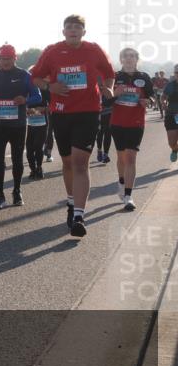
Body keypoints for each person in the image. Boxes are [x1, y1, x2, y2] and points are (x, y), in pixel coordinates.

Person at [30, 14, 115, 237]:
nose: (73, 30)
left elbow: (109, 74)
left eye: (78, 27)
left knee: (80, 162)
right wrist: (51, 87)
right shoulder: (52, 51)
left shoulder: (94, 50)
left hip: (88, 112)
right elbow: (35, 78)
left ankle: (79, 215)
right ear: (64, 31)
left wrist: (109, 88)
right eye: (69, 27)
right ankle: (71, 202)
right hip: (61, 113)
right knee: (67, 162)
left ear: (84, 32)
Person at [0, 45, 41, 208]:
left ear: (15, 58)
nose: (5, 62)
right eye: (2, 59)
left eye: (8, 59)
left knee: (17, 159)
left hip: (18, 125)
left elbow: (37, 96)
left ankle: (17, 191)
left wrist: (25, 100)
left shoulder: (24, 75)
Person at [109, 48, 155, 211]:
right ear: (121, 59)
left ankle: (128, 196)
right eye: (126, 56)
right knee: (121, 157)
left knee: (131, 158)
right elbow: (106, 101)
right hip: (118, 122)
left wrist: (147, 102)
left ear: (137, 59)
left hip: (136, 123)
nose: (129, 59)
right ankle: (121, 181)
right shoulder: (115, 76)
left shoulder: (144, 77)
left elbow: (151, 97)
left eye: (132, 56)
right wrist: (115, 93)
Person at [25, 68, 51, 179]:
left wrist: (43, 108)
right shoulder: (26, 89)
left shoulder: (45, 89)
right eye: (30, 75)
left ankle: (39, 168)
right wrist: (26, 109)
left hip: (42, 122)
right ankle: (32, 169)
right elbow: (22, 104)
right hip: (30, 123)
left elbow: (52, 105)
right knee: (29, 148)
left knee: (38, 146)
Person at [163, 65, 178, 163]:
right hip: (171, 115)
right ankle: (175, 149)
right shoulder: (170, 85)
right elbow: (163, 97)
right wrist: (164, 102)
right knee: (171, 142)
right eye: (177, 73)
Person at [95, 91, 114, 164]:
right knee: (100, 133)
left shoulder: (111, 84)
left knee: (108, 134)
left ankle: (106, 155)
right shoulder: (98, 84)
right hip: (100, 113)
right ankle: (99, 150)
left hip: (110, 112)